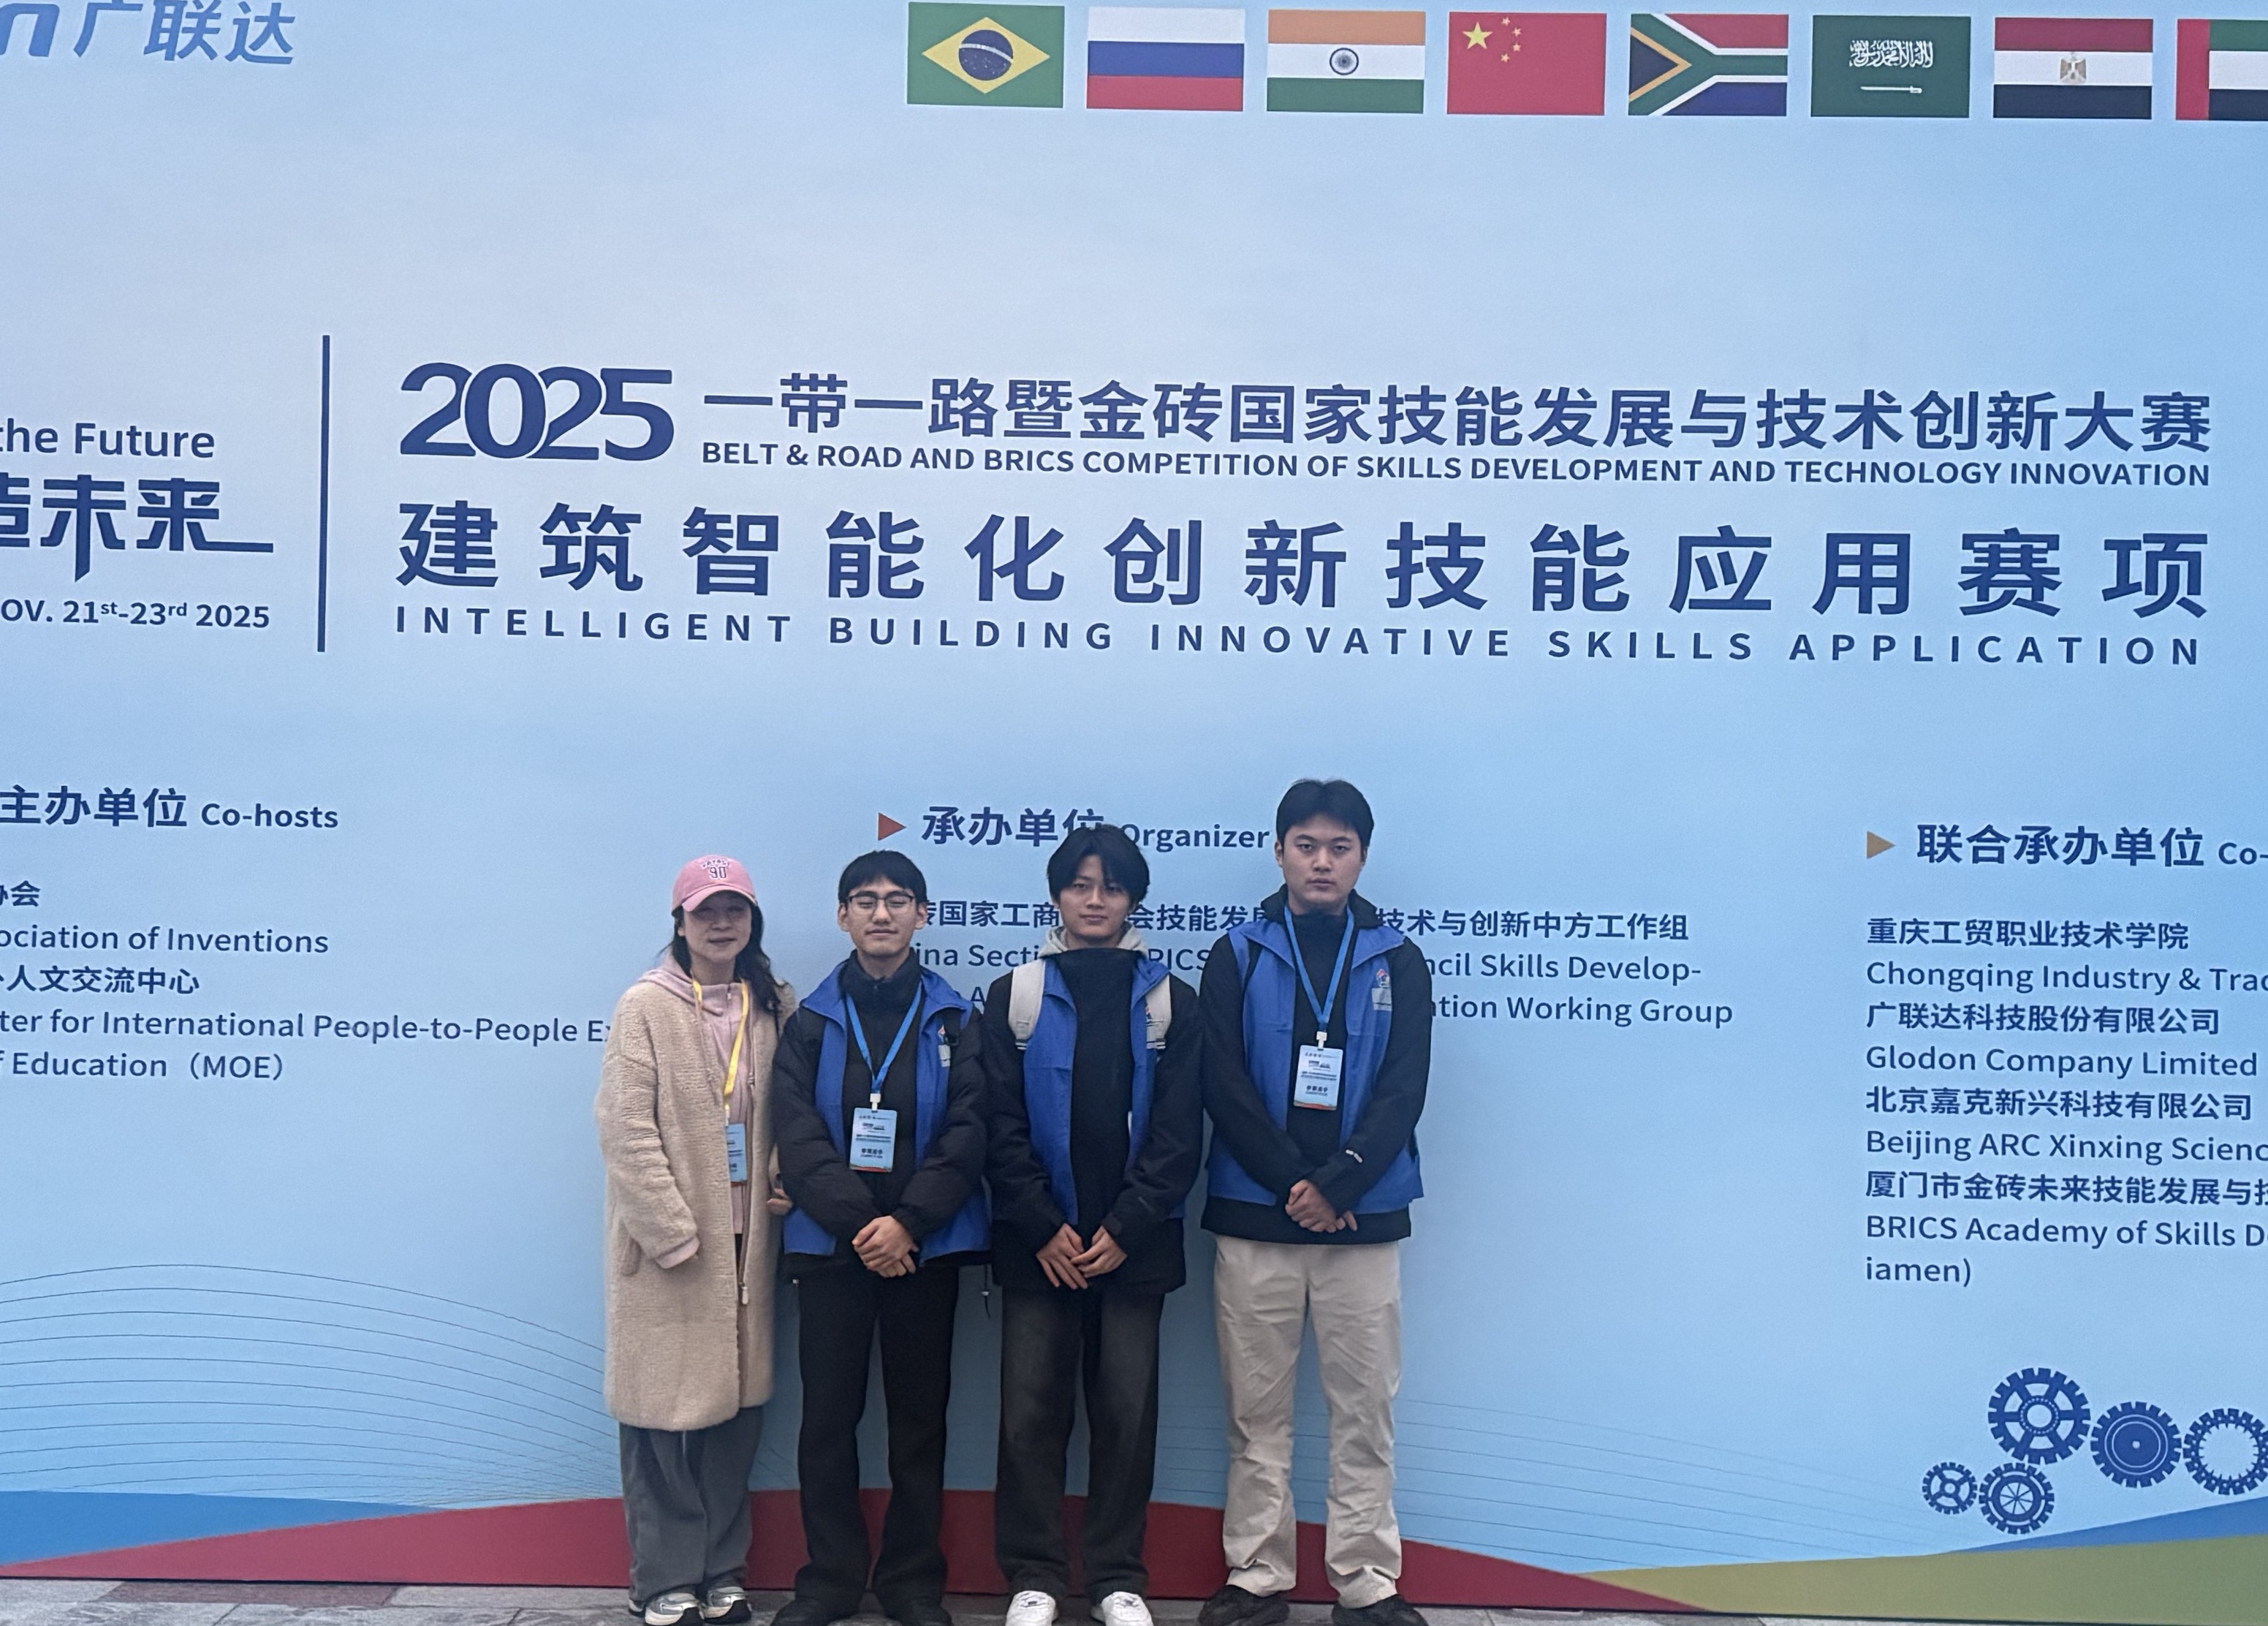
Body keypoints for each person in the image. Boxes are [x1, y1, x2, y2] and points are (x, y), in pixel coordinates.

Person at [1196, 781, 1433, 1626]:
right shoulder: (1237, 953)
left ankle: (1366, 1582)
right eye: (1306, 845)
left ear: (1362, 855)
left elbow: (1405, 1085)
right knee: (1254, 1413)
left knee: (1364, 1413)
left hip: (1360, 1222)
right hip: (1255, 1216)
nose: (1321, 861)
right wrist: (1292, 1182)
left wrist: (1338, 1183)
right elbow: (1220, 1079)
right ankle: (1257, 1575)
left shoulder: (1398, 957)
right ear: (1279, 851)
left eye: (1339, 847)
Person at [979, 826, 1203, 1626]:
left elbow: (1180, 1133)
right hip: (1037, 1247)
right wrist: (1043, 1225)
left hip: (1132, 1249)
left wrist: (1127, 1226)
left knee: (1127, 1417)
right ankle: (1033, 1575)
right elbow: (995, 1121)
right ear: (1056, 896)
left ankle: (1116, 1577)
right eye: (1079, 884)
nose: (1095, 900)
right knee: (1028, 1416)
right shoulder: (1015, 994)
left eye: (1111, 886)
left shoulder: (1171, 999)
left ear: (1133, 897)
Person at [769, 850, 988, 1626]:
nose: (882, 913)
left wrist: (908, 1224)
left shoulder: (956, 1020)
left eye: (898, 900)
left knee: (918, 1423)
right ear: (842, 916)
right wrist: (866, 1227)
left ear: (922, 915)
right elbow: (796, 1135)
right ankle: (827, 1581)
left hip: (924, 1250)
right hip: (834, 1250)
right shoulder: (810, 1022)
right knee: (827, 1420)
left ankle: (911, 1582)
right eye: (865, 900)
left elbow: (970, 1131)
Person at [596, 855, 795, 1626]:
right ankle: (663, 1580)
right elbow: (624, 1127)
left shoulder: (771, 1004)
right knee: (658, 1416)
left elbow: (792, 1109)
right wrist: (671, 1230)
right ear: (679, 922)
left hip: (750, 1245)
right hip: (670, 1251)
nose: (721, 924)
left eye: (734, 910)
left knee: (734, 1414)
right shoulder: (645, 1005)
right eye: (705, 910)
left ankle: (721, 1572)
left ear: (752, 920)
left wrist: (782, 1177)